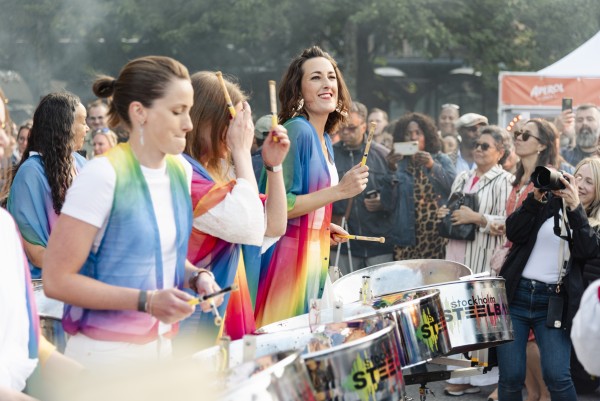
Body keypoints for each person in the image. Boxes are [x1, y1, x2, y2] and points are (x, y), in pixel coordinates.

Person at [42, 56, 222, 367]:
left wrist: (197, 277)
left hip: (160, 353)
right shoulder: (102, 175)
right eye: (177, 111)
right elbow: (57, 280)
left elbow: (155, 254)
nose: (188, 124)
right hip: (103, 360)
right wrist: (147, 301)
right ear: (140, 113)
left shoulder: (178, 170)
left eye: (189, 111)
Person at [254, 46, 368, 328]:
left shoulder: (326, 138)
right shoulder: (297, 131)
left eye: (331, 76)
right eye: (316, 78)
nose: (327, 84)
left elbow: (305, 201)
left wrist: (321, 225)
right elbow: (278, 206)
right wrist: (340, 191)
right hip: (287, 264)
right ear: (299, 89)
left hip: (314, 259)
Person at [178, 71, 289, 348]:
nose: (238, 130)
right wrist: (241, 152)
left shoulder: (217, 175)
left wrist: (274, 166)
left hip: (228, 310)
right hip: (193, 319)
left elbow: (274, 225)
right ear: (205, 119)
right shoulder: (183, 173)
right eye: (231, 121)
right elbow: (249, 224)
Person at [496, 155, 600, 399]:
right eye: (579, 178)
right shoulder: (548, 205)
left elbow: (588, 250)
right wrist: (534, 200)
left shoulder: (593, 224)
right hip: (516, 295)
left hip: (554, 303)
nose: (581, 185)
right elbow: (514, 231)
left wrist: (575, 210)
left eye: (590, 182)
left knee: (557, 376)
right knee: (511, 376)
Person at [438, 126, 513, 398]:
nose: (478, 150)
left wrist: (478, 219)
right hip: (455, 253)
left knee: (482, 325)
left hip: (483, 257)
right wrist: (446, 212)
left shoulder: (507, 181)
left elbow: (511, 224)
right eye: (476, 145)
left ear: (500, 152)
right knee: (457, 320)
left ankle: (487, 380)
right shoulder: (462, 176)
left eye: (485, 146)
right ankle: (461, 376)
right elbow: (453, 208)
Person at [7, 92, 88, 280]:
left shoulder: (82, 164)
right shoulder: (31, 174)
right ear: (64, 125)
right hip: (45, 288)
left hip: (81, 281)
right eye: (83, 122)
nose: (87, 128)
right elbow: (36, 254)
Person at [381, 112, 455, 261]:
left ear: (427, 136)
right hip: (406, 240)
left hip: (437, 239)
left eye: (418, 133)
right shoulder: (398, 164)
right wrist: (391, 170)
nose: (413, 137)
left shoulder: (440, 159)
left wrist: (432, 166)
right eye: (408, 134)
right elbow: (387, 204)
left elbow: (454, 187)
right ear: (402, 138)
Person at [331, 101, 394, 275]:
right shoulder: (329, 155)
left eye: (351, 128)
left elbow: (396, 196)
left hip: (378, 242)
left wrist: (383, 202)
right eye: (342, 127)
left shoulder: (383, 155)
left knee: (380, 297)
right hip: (343, 243)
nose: (345, 132)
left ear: (364, 126)